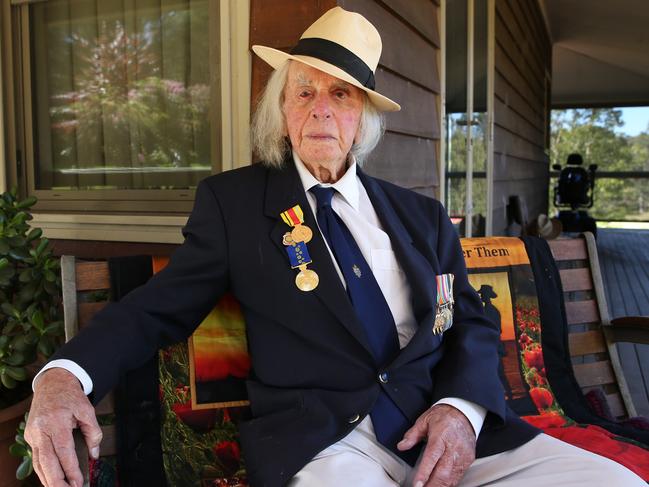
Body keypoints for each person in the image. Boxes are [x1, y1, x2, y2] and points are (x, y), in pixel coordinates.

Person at [25, 7, 645, 487]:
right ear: (281, 108)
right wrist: (61, 378)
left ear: (363, 119)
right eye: (304, 91)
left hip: (451, 434)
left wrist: (460, 411)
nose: (321, 109)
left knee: (613, 479)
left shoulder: (422, 218)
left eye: (341, 93)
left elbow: (466, 319)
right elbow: (159, 305)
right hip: (329, 442)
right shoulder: (237, 205)